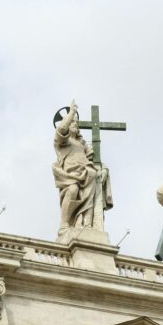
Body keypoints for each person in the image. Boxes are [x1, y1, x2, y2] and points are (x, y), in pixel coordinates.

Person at [52, 101, 112, 243]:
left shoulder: (82, 144)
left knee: (89, 196)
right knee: (72, 190)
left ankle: (84, 224)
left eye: (76, 123)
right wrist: (71, 113)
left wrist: (104, 169)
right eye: (72, 123)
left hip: (87, 177)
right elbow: (61, 129)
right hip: (70, 177)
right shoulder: (61, 143)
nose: (75, 125)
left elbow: (95, 160)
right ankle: (65, 224)